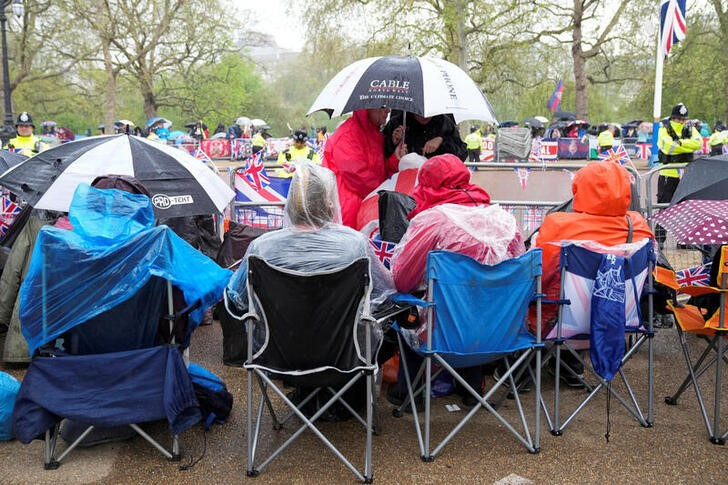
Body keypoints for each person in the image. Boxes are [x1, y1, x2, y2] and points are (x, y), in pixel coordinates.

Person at [389, 153, 524, 406]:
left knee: (409, 307)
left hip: (442, 338)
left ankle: (409, 394)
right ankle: (472, 389)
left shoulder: (433, 220)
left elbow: (402, 279)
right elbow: (520, 269)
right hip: (501, 334)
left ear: (426, 185)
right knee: (477, 301)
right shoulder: (503, 219)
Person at [225, 161, 395, 351]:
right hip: (344, 355)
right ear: (330, 204)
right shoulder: (356, 245)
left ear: (290, 203)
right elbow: (385, 290)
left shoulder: (261, 248)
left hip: (276, 355)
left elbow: (237, 298)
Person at [532, 162, 654, 384]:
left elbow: (540, 275)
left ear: (579, 188)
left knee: (532, 299)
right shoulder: (639, 226)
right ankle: (569, 370)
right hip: (622, 322)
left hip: (559, 326)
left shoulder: (558, 225)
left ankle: (519, 376)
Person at [323, 108, 406, 228]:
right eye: (382, 106)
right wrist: (386, 190)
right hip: (347, 215)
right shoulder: (348, 135)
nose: (387, 111)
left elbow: (378, 173)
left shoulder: (374, 134)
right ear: (368, 108)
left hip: (366, 210)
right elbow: (360, 178)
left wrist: (394, 159)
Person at [656, 103, 702, 246]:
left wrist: (679, 143)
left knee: (685, 207)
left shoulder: (690, 127)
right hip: (668, 174)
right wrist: (686, 145)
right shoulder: (664, 128)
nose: (681, 122)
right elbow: (668, 148)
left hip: (685, 173)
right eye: (678, 119)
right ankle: (659, 240)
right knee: (665, 207)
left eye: (683, 119)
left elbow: (698, 144)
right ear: (672, 118)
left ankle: (683, 240)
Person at [383, 111, 467, 161]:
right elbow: (382, 157)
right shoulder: (398, 122)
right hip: (403, 181)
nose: (424, 116)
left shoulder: (444, 122)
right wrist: (393, 142)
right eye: (419, 112)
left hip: (436, 182)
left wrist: (442, 141)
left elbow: (462, 154)